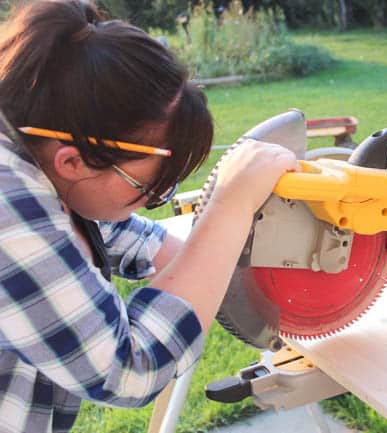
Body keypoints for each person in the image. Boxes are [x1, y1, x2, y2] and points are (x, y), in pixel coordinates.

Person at [0, 1, 297, 432]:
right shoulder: (8, 205)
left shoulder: (29, 137)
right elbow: (128, 367)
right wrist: (229, 208)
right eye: (148, 190)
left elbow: (120, 234)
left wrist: (260, 281)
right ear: (73, 162)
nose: (151, 200)